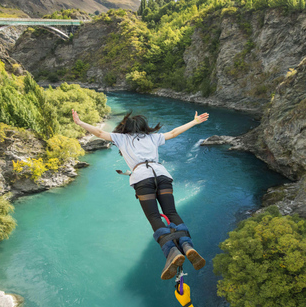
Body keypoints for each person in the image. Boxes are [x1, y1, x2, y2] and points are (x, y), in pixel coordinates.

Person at [72, 109, 209, 280]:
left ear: (126, 128)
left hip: (142, 178)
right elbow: (174, 133)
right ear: (144, 126)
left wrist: (80, 122)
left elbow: (99, 133)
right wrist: (194, 122)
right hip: (162, 174)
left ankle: (172, 251)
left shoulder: (121, 138)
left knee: (154, 216)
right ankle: (187, 246)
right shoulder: (152, 137)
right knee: (171, 212)